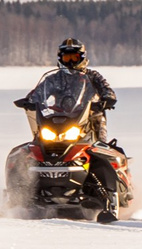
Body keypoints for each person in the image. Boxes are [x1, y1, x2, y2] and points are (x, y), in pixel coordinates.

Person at [15, 38, 125, 219]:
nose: (71, 62)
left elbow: (107, 91)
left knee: (97, 151)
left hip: (88, 121)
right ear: (60, 58)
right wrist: (29, 102)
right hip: (59, 122)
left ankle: (107, 196)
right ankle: (20, 196)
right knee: (30, 150)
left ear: (82, 57)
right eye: (67, 58)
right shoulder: (53, 79)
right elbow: (37, 94)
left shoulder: (92, 77)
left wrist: (106, 100)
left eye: (74, 57)